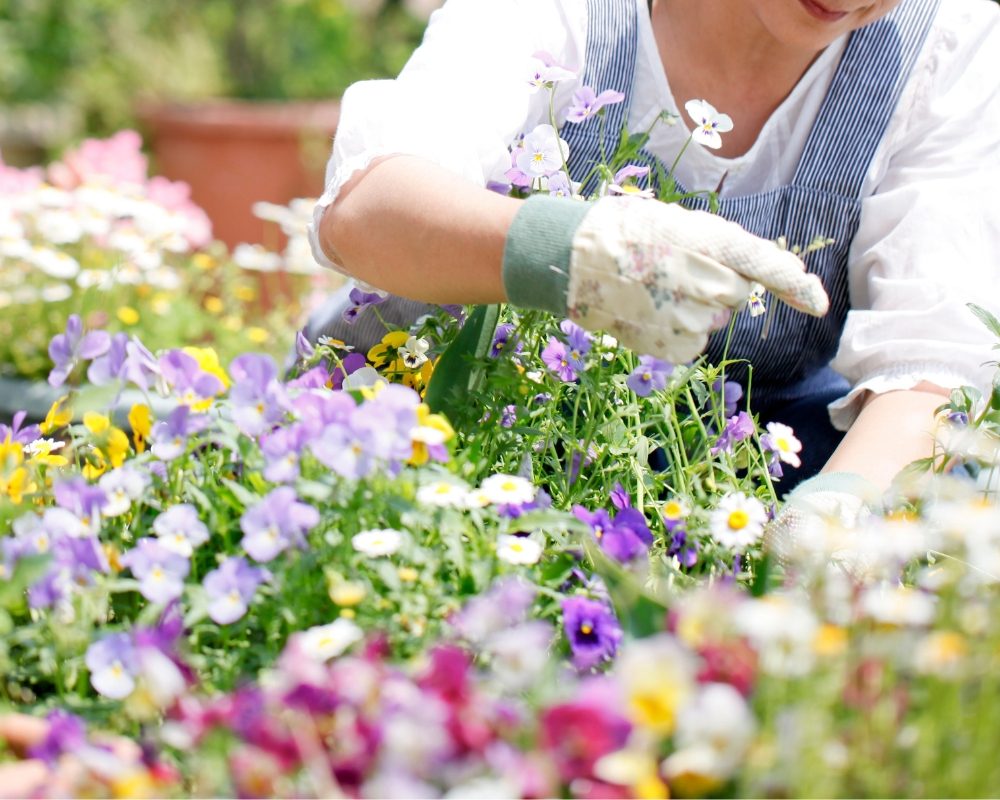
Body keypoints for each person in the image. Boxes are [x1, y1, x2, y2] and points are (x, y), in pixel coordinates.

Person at [307, 0, 1000, 493]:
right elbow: (365, 207)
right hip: (446, 413)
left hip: (713, 458)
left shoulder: (946, 40)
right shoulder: (569, 15)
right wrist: (573, 252)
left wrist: (833, 525)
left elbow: (931, 364)